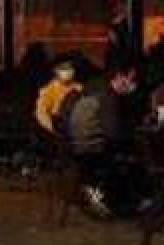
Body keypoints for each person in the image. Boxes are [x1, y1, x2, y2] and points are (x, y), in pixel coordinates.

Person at [64, 61, 146, 217]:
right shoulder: (108, 97)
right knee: (137, 157)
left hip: (78, 147)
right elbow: (113, 134)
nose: (133, 85)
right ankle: (135, 202)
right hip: (91, 152)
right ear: (120, 77)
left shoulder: (95, 90)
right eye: (131, 80)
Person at [35, 58, 81, 134]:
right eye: (63, 69)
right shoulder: (49, 90)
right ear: (56, 70)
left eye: (70, 68)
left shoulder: (79, 87)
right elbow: (41, 112)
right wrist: (52, 131)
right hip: (58, 126)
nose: (68, 71)